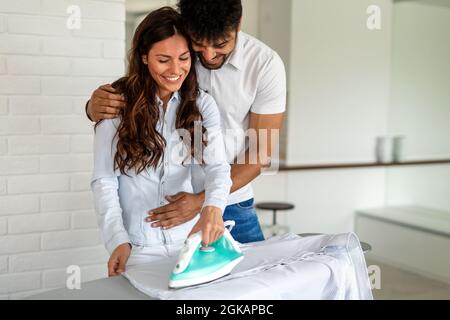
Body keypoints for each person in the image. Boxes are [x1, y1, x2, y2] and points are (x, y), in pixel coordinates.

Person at [86, 0, 286, 244]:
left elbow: (259, 155)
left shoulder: (265, 64)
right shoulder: (178, 53)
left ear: (239, 24)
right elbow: (139, 91)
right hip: (171, 204)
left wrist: (202, 200)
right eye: (199, 47)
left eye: (221, 44)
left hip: (233, 201)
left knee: (255, 275)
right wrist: (93, 107)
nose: (210, 55)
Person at [91, 7, 232, 277]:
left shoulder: (202, 105)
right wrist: (117, 240)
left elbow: (217, 167)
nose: (176, 70)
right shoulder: (117, 103)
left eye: (183, 58)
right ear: (144, 57)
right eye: (163, 60)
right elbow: (104, 180)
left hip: (189, 242)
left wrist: (212, 208)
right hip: (138, 248)